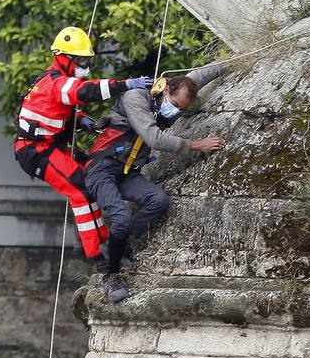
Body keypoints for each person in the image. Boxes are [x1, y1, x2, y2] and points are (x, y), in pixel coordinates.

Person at [85, 65, 227, 303]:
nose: (176, 111)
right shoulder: (135, 98)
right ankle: (111, 277)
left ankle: (121, 248)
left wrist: (227, 66)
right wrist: (196, 145)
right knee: (120, 217)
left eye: (182, 109)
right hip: (102, 169)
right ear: (164, 91)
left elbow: (198, 76)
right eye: (175, 104)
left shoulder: (176, 91)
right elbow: (153, 137)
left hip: (128, 172)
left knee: (159, 201)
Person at [14, 26, 155, 266]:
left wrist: (82, 121)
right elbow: (86, 91)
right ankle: (97, 254)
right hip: (36, 151)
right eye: (80, 60)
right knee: (80, 191)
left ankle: (105, 243)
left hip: (50, 145)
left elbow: (53, 111)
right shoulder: (58, 83)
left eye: (86, 59)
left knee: (92, 174)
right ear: (63, 58)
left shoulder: (52, 81)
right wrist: (126, 84)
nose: (84, 65)